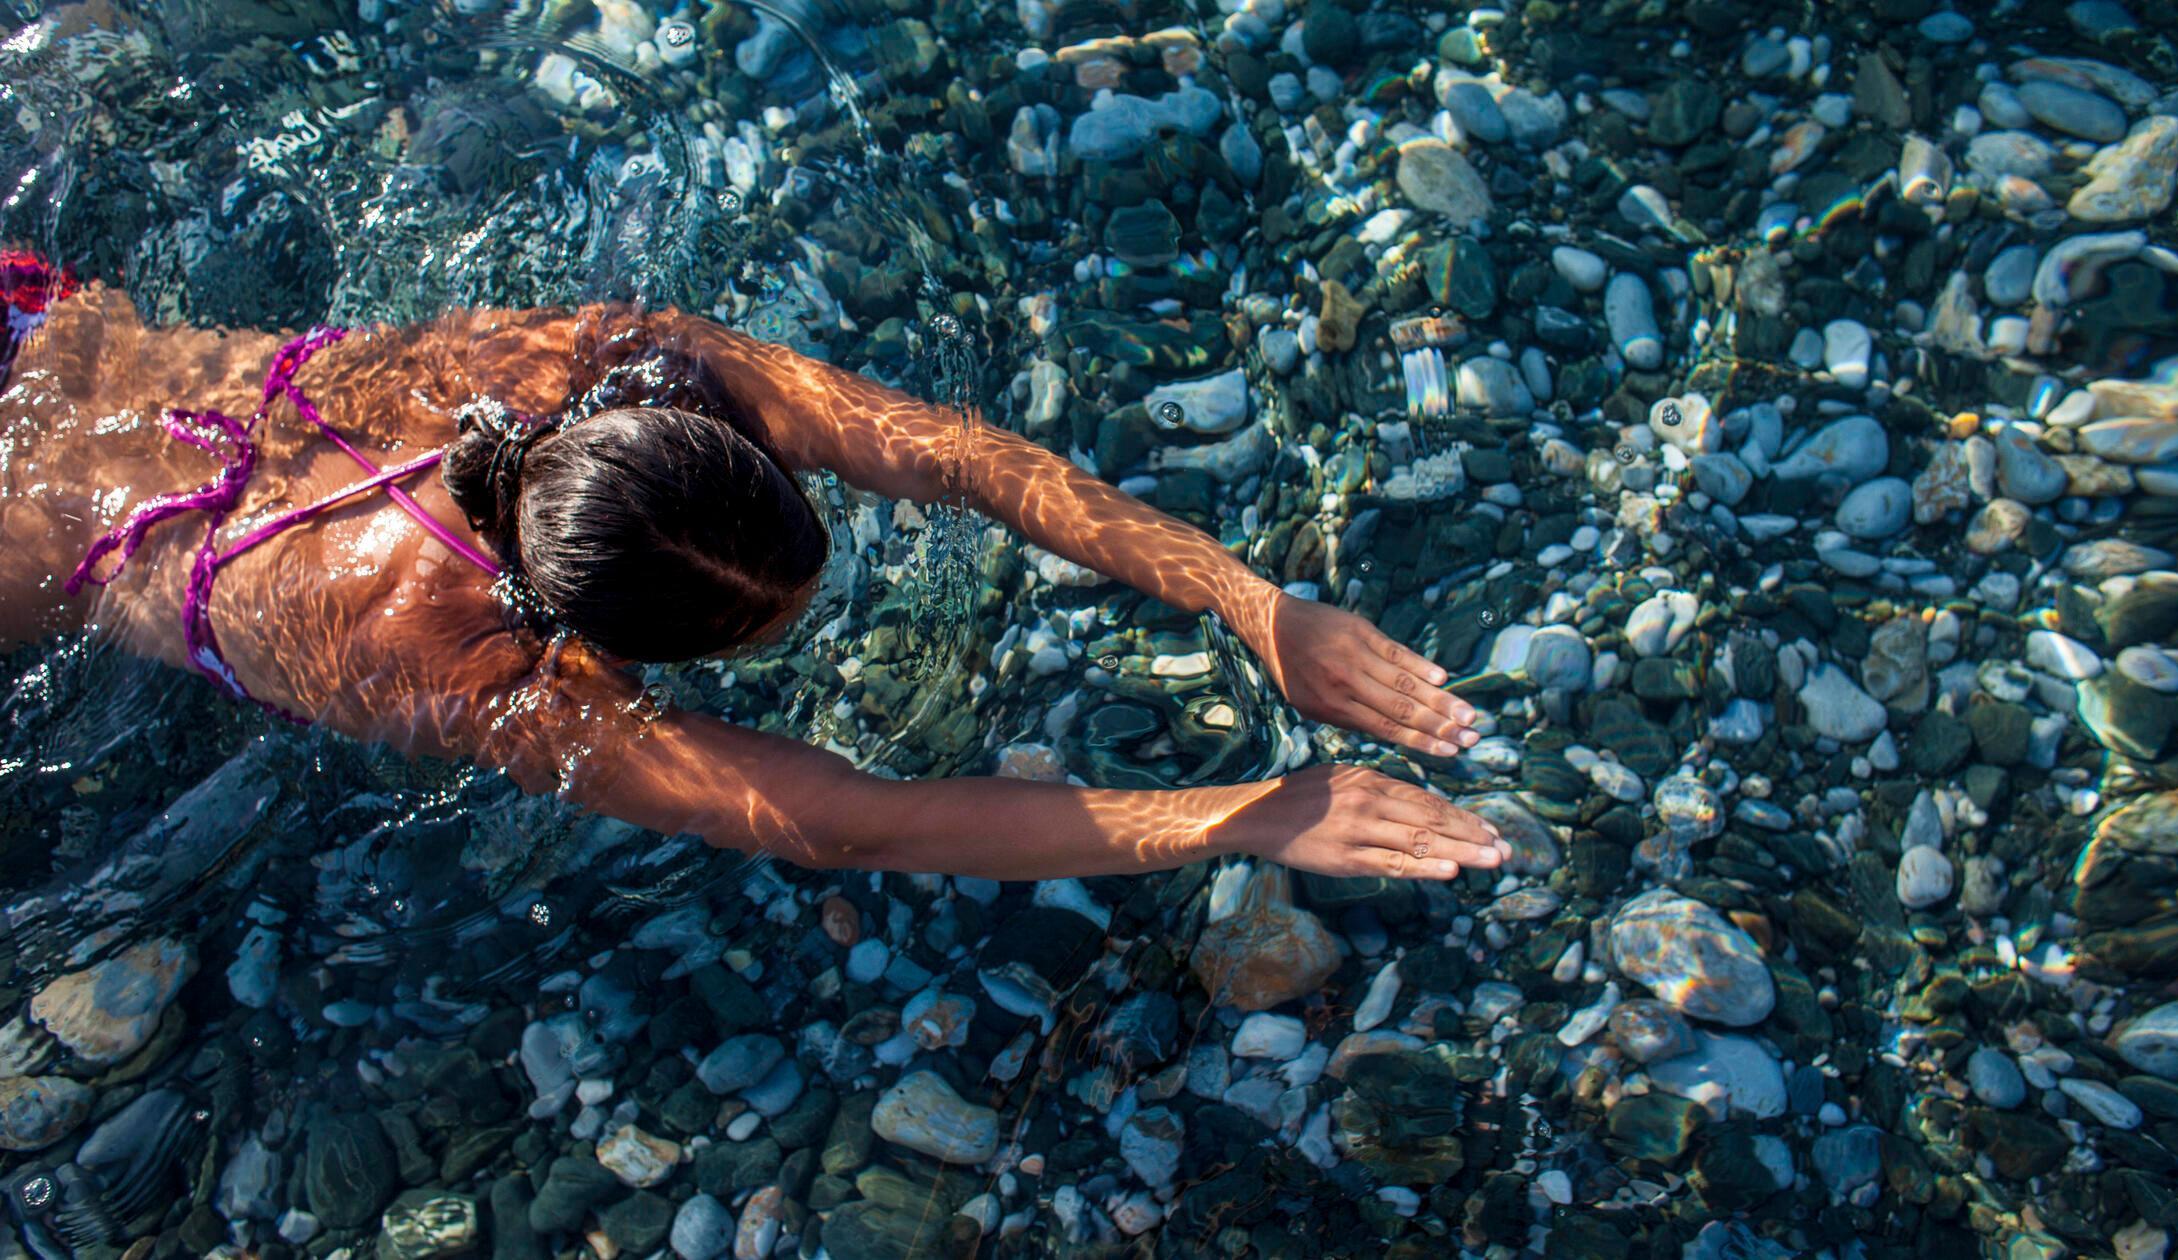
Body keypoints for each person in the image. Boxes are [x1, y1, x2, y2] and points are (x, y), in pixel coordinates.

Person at [0, 251, 1510, 882]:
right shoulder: (483, 681)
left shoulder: (595, 359)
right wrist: (1242, 814)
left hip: (43, 330)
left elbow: (965, 458)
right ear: (573, 631)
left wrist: (1255, 601)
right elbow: (854, 829)